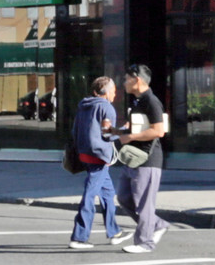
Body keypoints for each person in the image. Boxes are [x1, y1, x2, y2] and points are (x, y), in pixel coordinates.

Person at [113, 64, 170, 253]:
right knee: (124, 197)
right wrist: (116, 131)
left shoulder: (151, 101)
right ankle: (157, 225)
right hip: (134, 158)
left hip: (148, 158)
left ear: (137, 80)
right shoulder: (137, 101)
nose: (124, 82)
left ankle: (145, 242)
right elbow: (136, 127)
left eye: (127, 78)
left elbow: (158, 131)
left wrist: (130, 137)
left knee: (143, 202)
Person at [69, 77, 125, 250]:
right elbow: (107, 133)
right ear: (106, 91)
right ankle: (79, 236)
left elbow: (75, 130)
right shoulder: (106, 107)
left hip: (85, 153)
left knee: (108, 192)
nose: (115, 93)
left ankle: (114, 231)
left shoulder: (84, 105)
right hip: (99, 156)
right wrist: (124, 131)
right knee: (90, 194)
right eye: (113, 90)